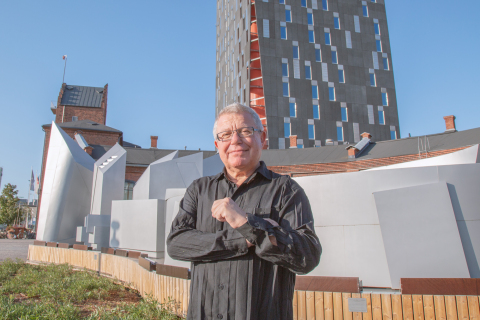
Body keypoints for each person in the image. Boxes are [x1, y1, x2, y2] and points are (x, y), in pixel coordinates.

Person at [167, 103, 321, 320]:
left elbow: (308, 257)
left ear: (262, 138)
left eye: (246, 131)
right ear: (217, 145)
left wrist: (247, 224)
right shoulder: (199, 190)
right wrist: (245, 239)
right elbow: (176, 244)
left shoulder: (286, 190)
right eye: (226, 135)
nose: (235, 141)